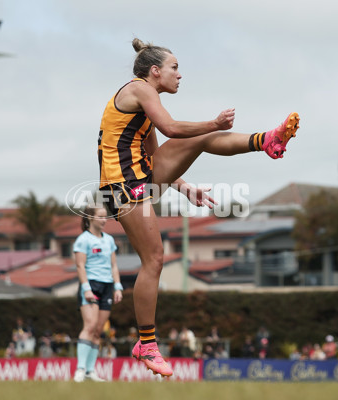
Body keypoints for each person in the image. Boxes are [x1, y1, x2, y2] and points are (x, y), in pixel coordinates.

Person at [96, 37, 300, 377]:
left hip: (140, 178)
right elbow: (173, 128)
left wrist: (185, 187)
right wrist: (213, 124)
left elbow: (157, 152)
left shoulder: (147, 103)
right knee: (155, 259)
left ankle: (267, 141)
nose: (180, 75)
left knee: (199, 138)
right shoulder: (139, 90)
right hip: (121, 188)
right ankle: (146, 344)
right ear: (156, 71)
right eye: (175, 68)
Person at [72, 205, 123, 382]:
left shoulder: (109, 240)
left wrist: (118, 286)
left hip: (107, 286)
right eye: (100, 216)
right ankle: (80, 369)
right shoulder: (83, 240)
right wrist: (86, 289)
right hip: (91, 285)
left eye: (105, 217)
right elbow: (80, 266)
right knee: (90, 325)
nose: (104, 220)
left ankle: (90, 371)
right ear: (90, 218)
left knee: (98, 330)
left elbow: (114, 265)